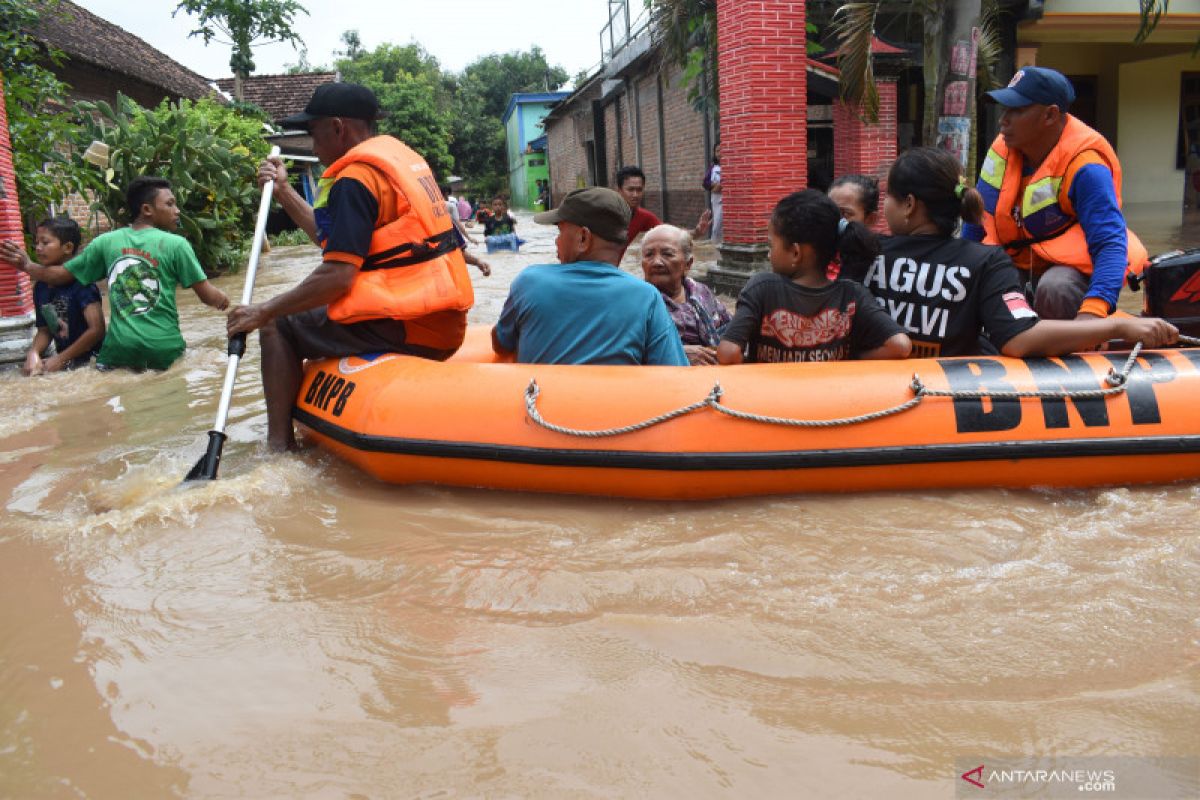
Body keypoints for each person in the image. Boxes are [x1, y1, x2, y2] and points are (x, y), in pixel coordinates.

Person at [227, 82, 474, 451]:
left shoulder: (355, 179)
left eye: (314, 133)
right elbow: (334, 242)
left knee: (278, 324)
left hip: (411, 326)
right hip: (442, 323)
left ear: (338, 127)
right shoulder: (392, 166)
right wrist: (284, 191)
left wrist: (262, 311)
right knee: (291, 312)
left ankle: (278, 448)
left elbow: (338, 276)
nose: (313, 146)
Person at [858, 146, 1177, 358]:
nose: (884, 207)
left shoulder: (863, 253)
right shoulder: (984, 261)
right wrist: (1118, 326)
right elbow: (1019, 338)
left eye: (889, 197)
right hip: (951, 398)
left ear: (910, 204)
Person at [966, 66, 1149, 320]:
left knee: (1056, 288)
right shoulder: (1003, 150)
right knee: (990, 280)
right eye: (1005, 109)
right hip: (1020, 264)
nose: (1003, 120)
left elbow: (1109, 243)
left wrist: (1093, 313)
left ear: (1050, 115)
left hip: (1070, 271)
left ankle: (1067, 350)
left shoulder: (1087, 167)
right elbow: (977, 221)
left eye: (1016, 110)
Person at [3, 177, 229, 371]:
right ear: (147, 209)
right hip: (163, 350)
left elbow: (60, 275)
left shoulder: (106, 242)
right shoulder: (177, 245)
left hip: (118, 352)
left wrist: (27, 266)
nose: (177, 210)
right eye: (170, 204)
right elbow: (207, 296)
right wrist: (225, 301)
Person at [492, 187, 688, 366]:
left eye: (560, 231)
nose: (556, 241)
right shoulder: (647, 297)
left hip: (537, 403)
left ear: (583, 238)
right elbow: (672, 372)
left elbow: (501, 345)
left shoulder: (529, 282)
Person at [717, 190, 911, 364]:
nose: (769, 254)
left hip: (773, 400)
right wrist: (850, 361)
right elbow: (900, 346)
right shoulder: (853, 295)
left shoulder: (763, 288)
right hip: (827, 400)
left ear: (795, 253)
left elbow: (728, 353)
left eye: (771, 245)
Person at [0, 217, 104, 375]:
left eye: (45, 242)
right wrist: (33, 353)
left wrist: (61, 358)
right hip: (65, 361)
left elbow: (97, 330)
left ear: (67, 247)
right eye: (37, 242)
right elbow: (45, 330)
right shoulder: (41, 287)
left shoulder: (83, 284)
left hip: (94, 361)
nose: (38, 248)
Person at [641, 224, 731, 366]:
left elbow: (730, 332)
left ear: (688, 264)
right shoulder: (637, 302)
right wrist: (677, 353)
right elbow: (624, 351)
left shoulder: (702, 293)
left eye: (667, 254)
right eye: (649, 255)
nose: (657, 262)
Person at [615, 165, 712, 260]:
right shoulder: (605, 213)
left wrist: (697, 232)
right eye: (630, 190)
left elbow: (672, 234)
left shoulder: (643, 217)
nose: (635, 195)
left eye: (639, 190)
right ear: (619, 190)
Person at [703, 143, 723, 243]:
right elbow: (705, 183)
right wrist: (713, 186)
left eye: (721, 150)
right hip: (717, 199)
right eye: (717, 151)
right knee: (717, 223)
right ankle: (714, 245)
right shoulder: (713, 168)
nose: (719, 153)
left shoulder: (731, 167)